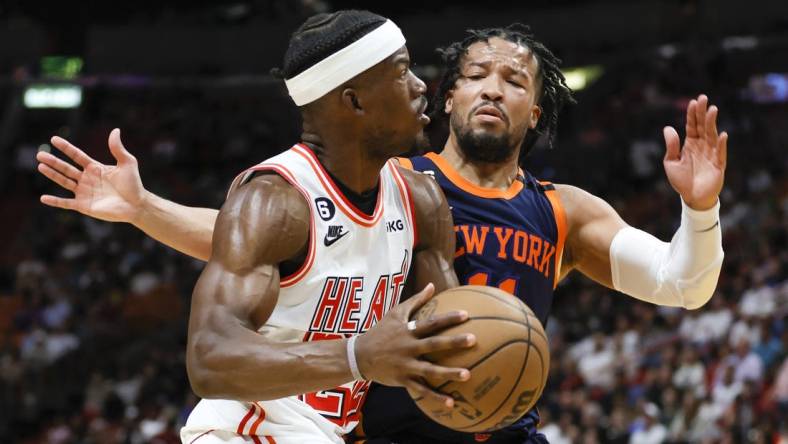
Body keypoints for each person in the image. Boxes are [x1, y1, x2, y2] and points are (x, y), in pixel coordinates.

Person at [37, 22, 727, 444]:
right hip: (379, 431)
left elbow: (682, 286)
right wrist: (145, 209)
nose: (492, 88)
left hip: (500, 427)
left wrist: (699, 210)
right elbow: (262, 239)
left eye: (513, 80)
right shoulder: (395, 178)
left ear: (536, 107)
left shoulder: (563, 210)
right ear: (447, 93)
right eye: (475, 74)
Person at [41, 10, 484, 443]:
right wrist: (357, 356)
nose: (420, 85)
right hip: (247, 431)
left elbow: (451, 337)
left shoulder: (420, 200)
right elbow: (209, 359)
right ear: (354, 101)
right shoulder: (275, 200)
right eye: (402, 71)